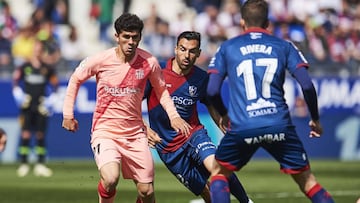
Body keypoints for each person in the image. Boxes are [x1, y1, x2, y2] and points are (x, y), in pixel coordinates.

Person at [206, 0, 335, 203]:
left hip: (243, 125)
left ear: (242, 22)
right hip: (279, 124)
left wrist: (223, 114)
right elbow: (307, 86)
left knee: (219, 173)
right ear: (267, 23)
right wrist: (315, 119)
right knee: (308, 182)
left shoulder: (228, 47)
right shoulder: (284, 46)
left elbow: (212, 90)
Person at [62, 13, 191, 203]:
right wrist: (68, 114)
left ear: (140, 37)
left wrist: (173, 116)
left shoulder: (149, 62)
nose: (131, 42)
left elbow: (162, 91)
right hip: (105, 131)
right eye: (126, 37)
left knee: (146, 191)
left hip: (135, 134)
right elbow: (75, 79)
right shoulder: (101, 60)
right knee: (111, 178)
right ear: (117, 36)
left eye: (135, 37)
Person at [144, 31, 252, 203]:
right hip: (168, 149)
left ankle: (246, 201)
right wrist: (145, 129)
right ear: (175, 49)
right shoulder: (157, 73)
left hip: (193, 134)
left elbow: (211, 105)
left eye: (192, 51)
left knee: (216, 166)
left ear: (199, 53)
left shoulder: (201, 78)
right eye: (183, 49)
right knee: (208, 195)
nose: (187, 55)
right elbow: (133, 104)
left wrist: (224, 127)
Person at [12, 39, 59, 177]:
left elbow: (55, 86)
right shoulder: (24, 66)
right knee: (25, 134)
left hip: (40, 106)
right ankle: (24, 164)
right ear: (33, 50)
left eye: (40, 49)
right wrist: (20, 96)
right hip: (27, 106)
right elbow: (15, 83)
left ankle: (40, 164)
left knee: (40, 135)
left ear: (42, 51)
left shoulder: (47, 68)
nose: (37, 51)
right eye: (36, 48)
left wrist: (49, 102)